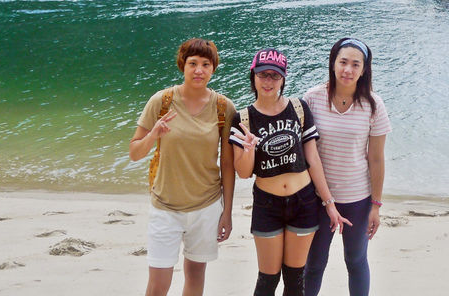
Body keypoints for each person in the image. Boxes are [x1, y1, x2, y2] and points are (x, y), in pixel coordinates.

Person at [230, 48, 347, 296]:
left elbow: (313, 159)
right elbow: (243, 172)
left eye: (275, 75)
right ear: (253, 77)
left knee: (295, 279)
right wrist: (249, 149)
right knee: (268, 279)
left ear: (283, 79)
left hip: (303, 201)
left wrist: (329, 203)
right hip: (267, 203)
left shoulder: (299, 108)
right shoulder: (242, 119)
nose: (268, 81)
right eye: (263, 75)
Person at [129, 39, 236, 296]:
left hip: (207, 205)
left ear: (213, 69)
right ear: (183, 66)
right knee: (158, 283)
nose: (198, 70)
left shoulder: (224, 108)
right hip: (165, 205)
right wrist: (154, 133)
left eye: (205, 64)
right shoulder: (162, 101)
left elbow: (228, 164)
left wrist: (227, 213)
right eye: (193, 64)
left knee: (196, 275)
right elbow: (134, 152)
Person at [303, 38, 391, 296]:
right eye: (343, 62)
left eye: (355, 64)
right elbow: (306, 153)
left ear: (364, 70)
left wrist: (376, 205)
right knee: (315, 263)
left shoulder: (373, 105)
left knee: (355, 261)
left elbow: (376, 159)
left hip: (358, 199)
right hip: (318, 198)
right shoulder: (312, 98)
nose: (348, 70)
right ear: (333, 63)